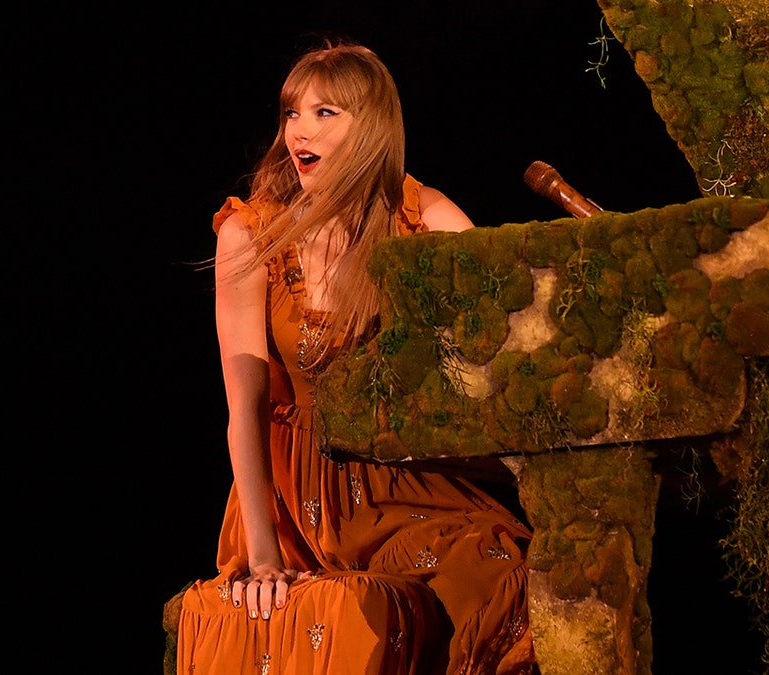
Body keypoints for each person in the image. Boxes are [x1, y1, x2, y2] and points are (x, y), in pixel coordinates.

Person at [176, 42, 535, 675]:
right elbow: (246, 408)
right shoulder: (251, 232)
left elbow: (508, 316)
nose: (299, 132)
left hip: (402, 480)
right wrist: (262, 556)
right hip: (295, 493)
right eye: (292, 113)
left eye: (324, 113)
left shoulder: (420, 216)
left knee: (498, 570)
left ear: (369, 125)